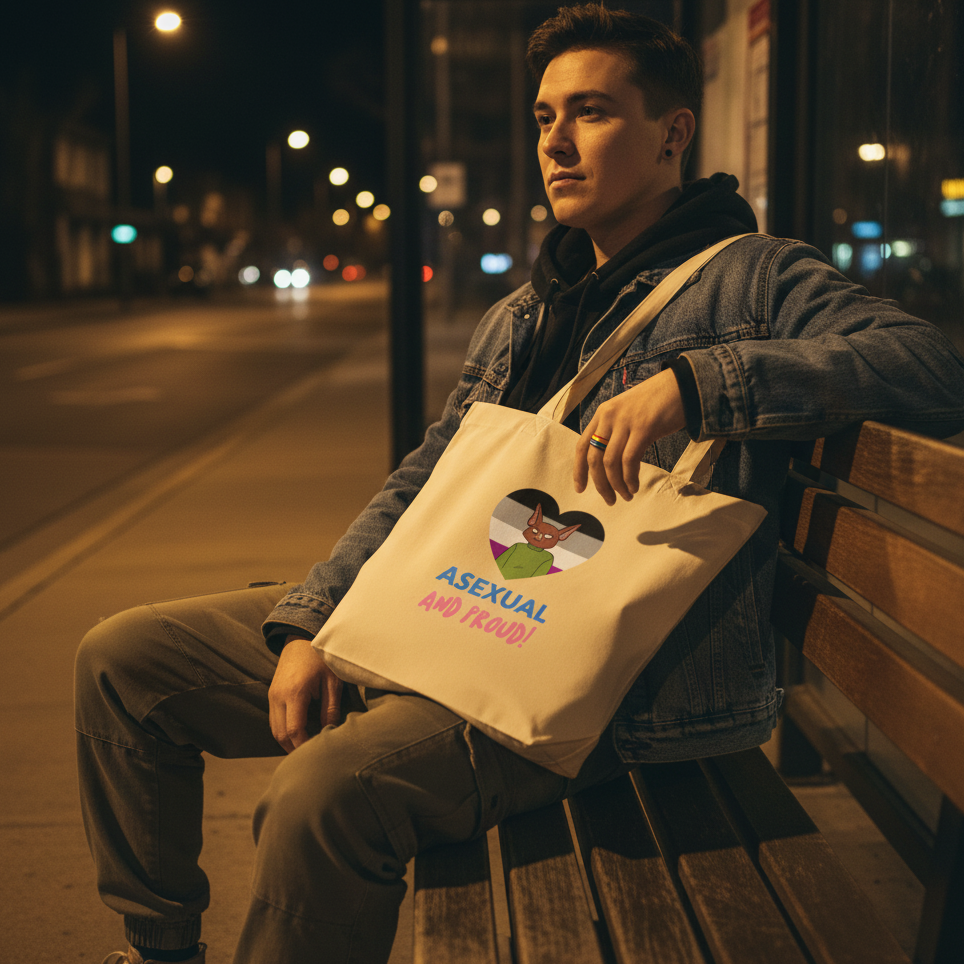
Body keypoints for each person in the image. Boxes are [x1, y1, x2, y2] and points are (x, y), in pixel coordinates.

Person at [76, 5, 964, 963]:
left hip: (594, 677)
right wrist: (311, 621)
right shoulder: (523, 312)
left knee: (318, 801)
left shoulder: (751, 280)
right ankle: (161, 948)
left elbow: (927, 368)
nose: (557, 143)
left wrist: (701, 384)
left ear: (672, 134)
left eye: (590, 112)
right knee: (125, 662)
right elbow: (426, 477)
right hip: (445, 611)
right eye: (545, 117)